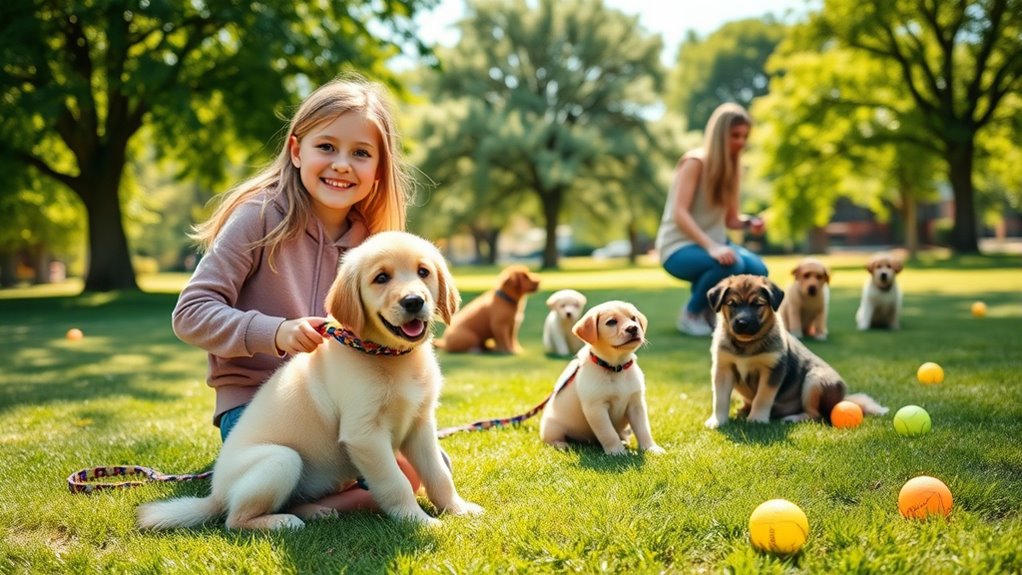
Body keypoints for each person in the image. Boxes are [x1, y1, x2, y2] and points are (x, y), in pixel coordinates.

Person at [172, 75, 421, 513]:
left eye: (361, 153)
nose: (342, 164)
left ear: (379, 169)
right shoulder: (259, 218)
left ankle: (310, 505)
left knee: (415, 472)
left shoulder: (373, 246)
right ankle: (292, 494)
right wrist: (276, 332)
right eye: (327, 146)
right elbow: (191, 312)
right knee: (375, 473)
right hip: (260, 412)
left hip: (341, 406)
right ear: (296, 150)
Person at [654, 102, 768, 336]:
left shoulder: (734, 169)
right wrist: (712, 247)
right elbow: (679, 213)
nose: (741, 142)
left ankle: (710, 311)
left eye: (745, 136)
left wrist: (749, 222)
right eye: (735, 135)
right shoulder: (694, 162)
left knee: (758, 269)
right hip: (678, 246)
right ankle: (691, 313)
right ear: (719, 135)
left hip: (715, 245)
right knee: (731, 264)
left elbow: (731, 220)